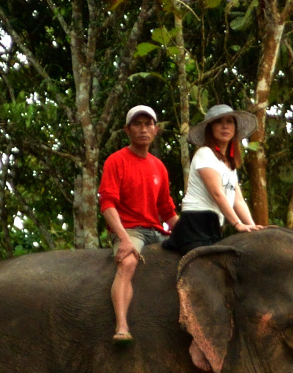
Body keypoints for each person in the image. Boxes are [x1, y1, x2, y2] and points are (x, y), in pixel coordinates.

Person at [97, 105, 175, 342]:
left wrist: (188, 233)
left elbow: (167, 210)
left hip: (156, 231)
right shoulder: (116, 160)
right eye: (137, 125)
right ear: (127, 130)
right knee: (128, 262)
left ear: (156, 130)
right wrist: (122, 238)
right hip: (131, 230)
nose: (143, 129)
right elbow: (107, 203)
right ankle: (122, 326)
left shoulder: (158, 166)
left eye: (148, 124)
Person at [165, 103, 262, 255]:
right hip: (195, 222)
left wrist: (253, 228)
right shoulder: (205, 153)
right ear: (210, 128)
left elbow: (238, 201)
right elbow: (217, 193)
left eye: (229, 121)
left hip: (214, 223)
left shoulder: (229, 164)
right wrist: (237, 224)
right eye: (219, 122)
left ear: (235, 128)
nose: (225, 126)